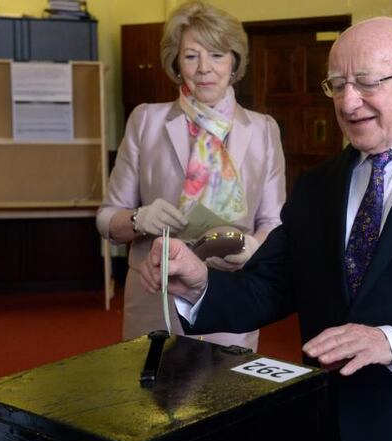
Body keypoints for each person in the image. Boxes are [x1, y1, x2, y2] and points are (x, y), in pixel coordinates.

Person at [142, 17, 392, 441]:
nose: (348, 104)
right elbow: (269, 285)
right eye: (337, 85)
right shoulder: (318, 185)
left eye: (367, 83)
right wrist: (200, 287)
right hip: (332, 425)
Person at [96, 1, 285, 350]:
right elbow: (108, 219)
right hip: (156, 296)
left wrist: (253, 246)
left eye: (216, 55)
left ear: (234, 62)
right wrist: (139, 218)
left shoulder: (263, 129)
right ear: (176, 64)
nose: (204, 69)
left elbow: (274, 221)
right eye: (191, 56)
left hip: (230, 293)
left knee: (229, 397)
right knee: (148, 401)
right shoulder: (146, 121)